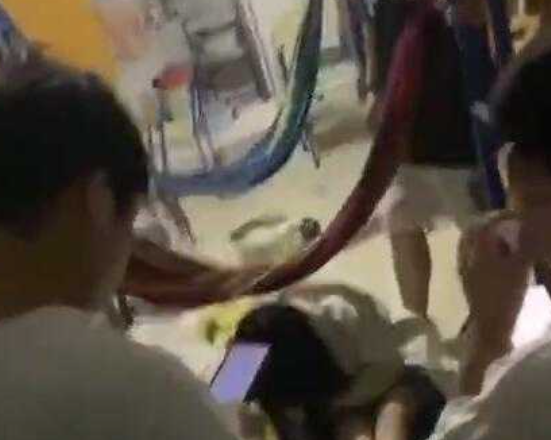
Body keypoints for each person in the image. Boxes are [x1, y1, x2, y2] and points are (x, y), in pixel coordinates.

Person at [0, 53, 238, 439]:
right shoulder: (129, 390)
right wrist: (245, 361)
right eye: (130, 223)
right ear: (98, 199)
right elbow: (200, 420)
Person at [232, 284, 447, 440]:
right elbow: (240, 416)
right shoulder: (245, 354)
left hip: (389, 382)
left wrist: (342, 401)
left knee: (394, 412)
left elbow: (391, 367)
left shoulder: (342, 309)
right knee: (353, 428)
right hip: (332, 410)